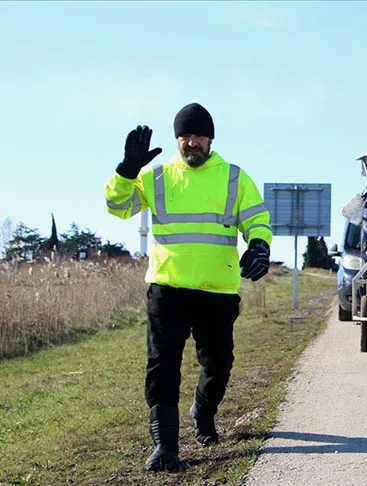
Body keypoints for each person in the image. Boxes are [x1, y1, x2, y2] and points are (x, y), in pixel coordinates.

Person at [104, 103, 272, 472]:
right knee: (162, 365)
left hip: (217, 289)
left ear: (210, 139)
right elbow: (116, 206)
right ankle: (165, 447)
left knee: (219, 363)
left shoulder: (233, 177)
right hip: (167, 288)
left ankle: (203, 410)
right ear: (177, 139)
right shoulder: (156, 176)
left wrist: (259, 244)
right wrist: (126, 170)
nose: (191, 142)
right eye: (185, 136)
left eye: (198, 136)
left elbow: (257, 219)